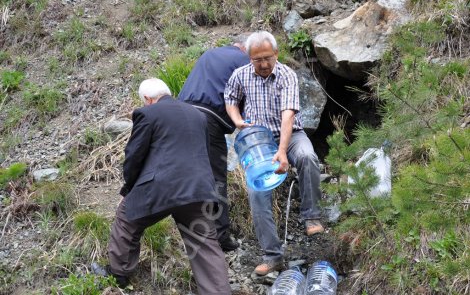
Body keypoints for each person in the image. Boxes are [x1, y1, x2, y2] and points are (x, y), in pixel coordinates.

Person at [92, 78, 231, 294]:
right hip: (199, 189)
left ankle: (119, 274)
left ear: (148, 99)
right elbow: (205, 152)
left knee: (126, 219)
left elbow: (134, 155)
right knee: (205, 245)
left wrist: (127, 190)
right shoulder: (198, 115)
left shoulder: (148, 113)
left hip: (160, 188)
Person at [224, 31, 324, 276]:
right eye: (258, 60)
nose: (264, 64)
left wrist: (282, 152)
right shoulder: (241, 75)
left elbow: (288, 114)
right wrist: (237, 120)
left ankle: (311, 217)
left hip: (290, 135)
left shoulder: (287, 75)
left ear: (276, 54)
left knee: (307, 157)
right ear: (249, 58)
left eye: (268, 58)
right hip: (259, 141)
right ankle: (273, 256)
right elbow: (230, 97)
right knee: (256, 191)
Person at [178, 34, 250, 252]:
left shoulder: (210, 53)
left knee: (185, 174)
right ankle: (219, 236)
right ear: (245, 49)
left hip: (179, 115)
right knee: (215, 177)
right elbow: (252, 97)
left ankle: (185, 231)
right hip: (208, 119)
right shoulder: (245, 61)